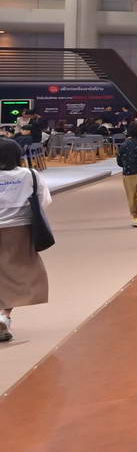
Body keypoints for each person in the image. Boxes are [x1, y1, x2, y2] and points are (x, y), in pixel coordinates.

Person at [0, 138, 52, 343]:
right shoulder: (30, 175)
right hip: (19, 231)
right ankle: (4, 315)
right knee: (18, 273)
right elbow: (44, 201)